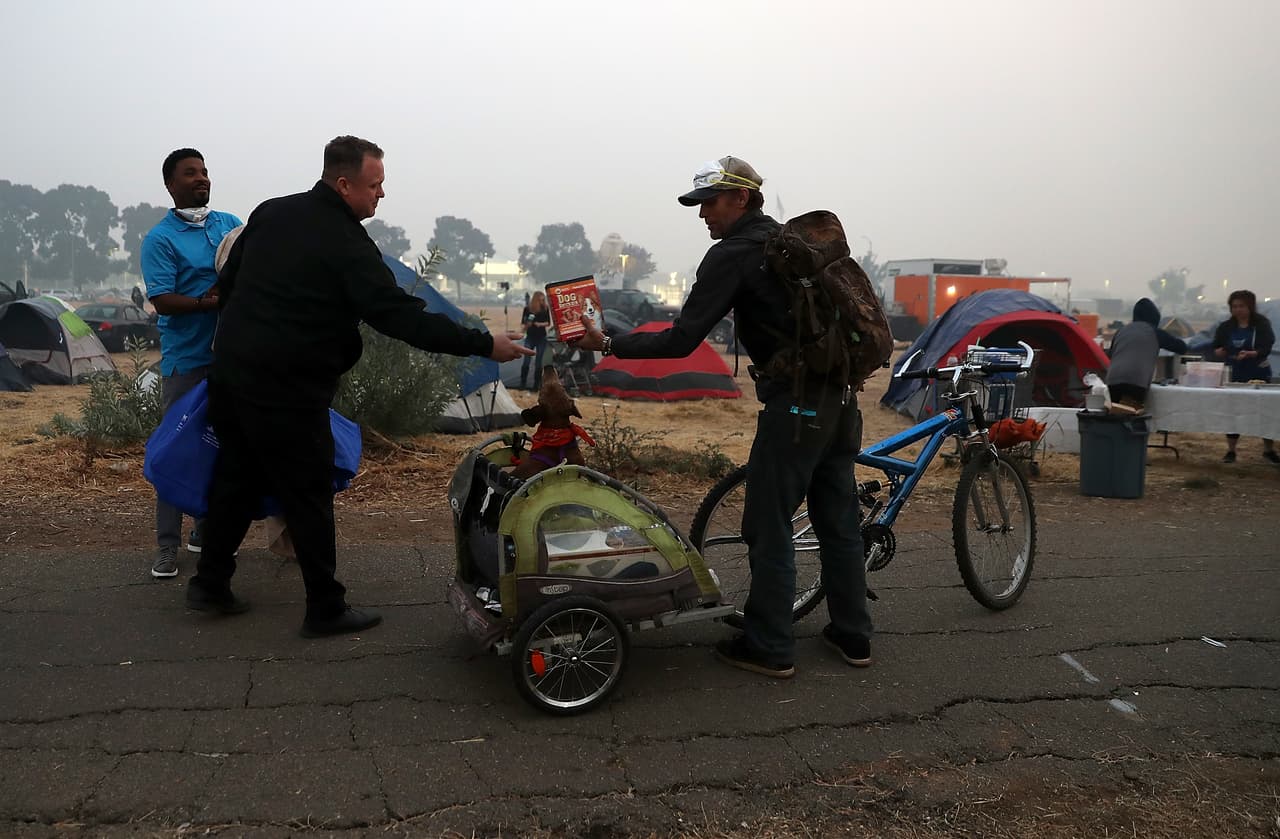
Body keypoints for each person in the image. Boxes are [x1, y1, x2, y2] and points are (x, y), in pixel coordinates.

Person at [191, 135, 532, 637]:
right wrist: (483, 344)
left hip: (232, 374)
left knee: (235, 477)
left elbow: (230, 282)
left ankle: (209, 584)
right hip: (288, 387)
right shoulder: (346, 242)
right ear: (344, 183)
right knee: (307, 493)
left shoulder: (269, 213)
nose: (381, 195)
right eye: (375, 185)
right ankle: (325, 607)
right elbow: (400, 317)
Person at [573, 156, 872, 678]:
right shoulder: (792, 246)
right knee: (838, 522)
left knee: (767, 524)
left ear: (742, 198)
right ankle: (854, 636)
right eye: (698, 203)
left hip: (795, 407)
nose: (702, 213)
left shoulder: (733, 255)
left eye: (710, 202)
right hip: (841, 402)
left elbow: (683, 338)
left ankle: (770, 645)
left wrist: (610, 343)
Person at [140, 148, 243, 579]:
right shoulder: (160, 239)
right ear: (170, 184)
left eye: (204, 172)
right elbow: (162, 298)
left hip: (231, 358)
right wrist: (207, 302)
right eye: (190, 173)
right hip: (185, 361)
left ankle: (205, 532)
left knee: (220, 450)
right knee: (176, 450)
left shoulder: (230, 225)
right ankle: (167, 546)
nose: (201, 179)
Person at [1212, 290, 1276, 463]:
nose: (1238, 310)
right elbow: (1217, 347)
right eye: (1234, 306)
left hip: (1258, 372)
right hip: (1235, 372)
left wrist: (1254, 353)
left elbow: (1267, 346)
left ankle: (1268, 450)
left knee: (1264, 411)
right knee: (1233, 410)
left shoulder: (1261, 324)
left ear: (1250, 306)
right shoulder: (1225, 327)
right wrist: (1219, 352)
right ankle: (1231, 450)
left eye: (1242, 306)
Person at [1105, 298, 1186, 410]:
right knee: (1132, 416)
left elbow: (1111, 355)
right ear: (1155, 318)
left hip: (1113, 380)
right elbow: (1181, 348)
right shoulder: (1154, 331)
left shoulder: (1121, 331)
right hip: (1136, 381)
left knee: (1118, 414)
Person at [519, 290, 552, 390]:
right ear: (536, 300)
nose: (542, 301)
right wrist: (526, 325)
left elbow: (548, 323)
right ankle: (522, 384)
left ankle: (536, 385)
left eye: (543, 299)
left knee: (539, 362)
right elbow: (523, 322)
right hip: (530, 337)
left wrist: (540, 324)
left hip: (541, 337)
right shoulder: (527, 309)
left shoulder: (545, 309)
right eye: (541, 300)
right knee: (526, 360)